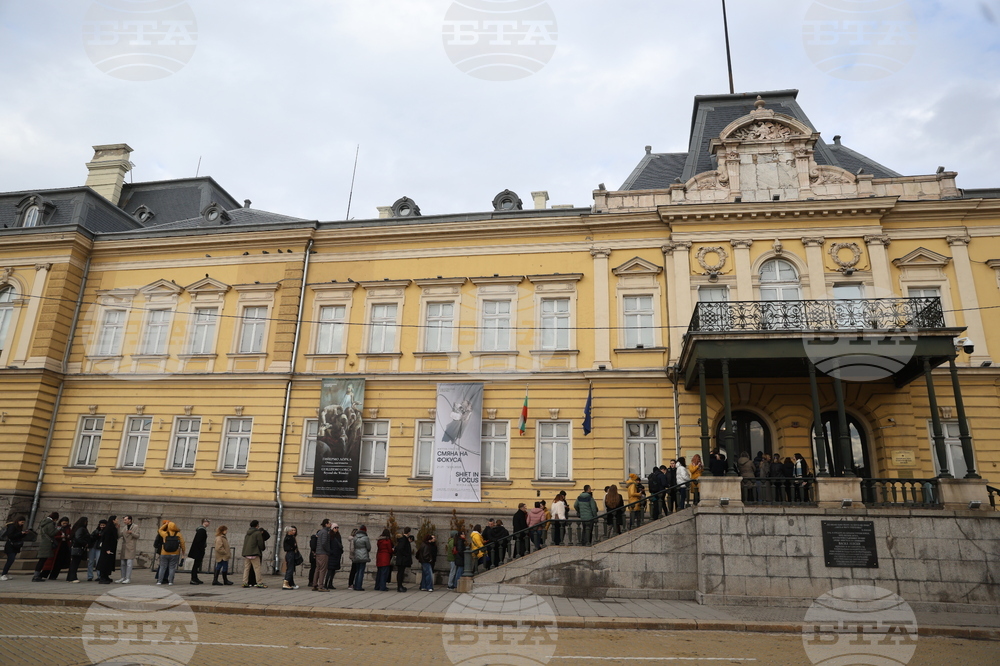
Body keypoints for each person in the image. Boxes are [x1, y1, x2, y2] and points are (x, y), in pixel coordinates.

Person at [32, 511, 59, 582]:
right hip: (47, 544)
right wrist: (58, 529)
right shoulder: (50, 524)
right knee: (42, 560)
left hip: (44, 542)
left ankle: (36, 575)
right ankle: (36, 576)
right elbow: (52, 533)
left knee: (41, 560)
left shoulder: (44, 522)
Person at [157, 520, 184, 586]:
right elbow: (182, 543)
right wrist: (183, 552)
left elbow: (159, 530)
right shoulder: (178, 534)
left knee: (162, 567)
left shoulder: (165, 533)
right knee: (172, 568)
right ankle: (170, 582)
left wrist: (165, 524)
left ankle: (159, 581)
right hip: (175, 553)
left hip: (164, 553)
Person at [241, 520, 267, 588]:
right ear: (257, 525)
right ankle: (259, 582)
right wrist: (262, 548)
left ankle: (245, 582)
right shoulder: (257, 533)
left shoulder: (247, 533)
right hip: (254, 553)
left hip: (247, 553)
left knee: (246, 568)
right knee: (257, 568)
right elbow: (260, 543)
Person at [2, 515, 27, 580]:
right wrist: (20, 533)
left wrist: (24, 534)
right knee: (10, 559)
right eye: (22, 522)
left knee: (11, 560)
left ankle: (5, 573)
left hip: (15, 546)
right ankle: (3, 574)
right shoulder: (12, 526)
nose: (22, 524)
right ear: (18, 521)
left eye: (23, 522)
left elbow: (19, 536)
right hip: (10, 545)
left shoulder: (19, 527)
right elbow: (10, 536)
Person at [117, 515, 139, 584]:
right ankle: (123, 577)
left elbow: (137, 536)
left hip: (131, 547)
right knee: (123, 563)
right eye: (124, 520)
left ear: (130, 520)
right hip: (124, 547)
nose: (124, 521)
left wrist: (131, 533)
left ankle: (128, 578)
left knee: (129, 563)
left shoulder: (135, 526)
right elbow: (119, 535)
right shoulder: (125, 527)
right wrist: (118, 528)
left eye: (125, 520)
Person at [97, 516, 118, 584]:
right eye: (116, 519)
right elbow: (106, 540)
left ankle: (106, 576)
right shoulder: (109, 529)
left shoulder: (112, 528)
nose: (117, 520)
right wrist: (107, 549)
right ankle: (103, 577)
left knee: (109, 563)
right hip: (107, 549)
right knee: (105, 563)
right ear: (113, 520)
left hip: (111, 548)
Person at [66, 517, 89, 582]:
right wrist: (85, 543)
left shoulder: (77, 528)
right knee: (75, 563)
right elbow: (78, 538)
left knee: (74, 563)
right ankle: (72, 577)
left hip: (75, 547)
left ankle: (70, 577)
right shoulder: (81, 529)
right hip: (78, 547)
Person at [187, 518, 209, 585]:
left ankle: (195, 578)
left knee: (197, 564)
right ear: (204, 522)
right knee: (196, 565)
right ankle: (193, 579)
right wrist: (202, 549)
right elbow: (199, 541)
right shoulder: (201, 530)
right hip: (198, 550)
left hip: (198, 550)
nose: (209, 523)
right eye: (207, 522)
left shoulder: (202, 530)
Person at [313, 519, 331, 592]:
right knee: (322, 570)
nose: (330, 524)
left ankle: (315, 584)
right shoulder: (325, 532)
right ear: (326, 524)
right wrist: (328, 550)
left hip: (318, 552)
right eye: (329, 523)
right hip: (323, 553)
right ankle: (321, 586)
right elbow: (324, 543)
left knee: (317, 569)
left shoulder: (320, 532)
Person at [352, 525, 371, 591]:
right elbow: (368, 547)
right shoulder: (365, 538)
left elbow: (354, 546)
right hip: (364, 555)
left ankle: (355, 584)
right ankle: (359, 586)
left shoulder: (355, 537)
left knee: (357, 571)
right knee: (361, 571)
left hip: (357, 554)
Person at [326, 523, 343, 590]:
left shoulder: (338, 536)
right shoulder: (330, 535)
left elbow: (340, 544)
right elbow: (328, 545)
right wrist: (331, 552)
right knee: (329, 570)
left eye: (337, 527)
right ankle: (326, 583)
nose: (336, 529)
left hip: (337, 555)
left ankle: (330, 583)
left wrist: (341, 551)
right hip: (332, 555)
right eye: (335, 527)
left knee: (333, 571)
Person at [282, 526, 300, 590]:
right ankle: (286, 582)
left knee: (290, 568)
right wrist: (293, 546)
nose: (293, 532)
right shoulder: (290, 538)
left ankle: (290, 583)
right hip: (290, 553)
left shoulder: (288, 537)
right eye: (292, 531)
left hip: (290, 553)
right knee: (290, 569)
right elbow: (293, 546)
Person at [395, 527, 412, 592]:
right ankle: (399, 587)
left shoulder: (403, 539)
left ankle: (400, 586)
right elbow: (401, 548)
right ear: (408, 532)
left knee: (400, 573)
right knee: (400, 573)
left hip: (401, 559)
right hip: (402, 559)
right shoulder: (404, 539)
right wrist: (406, 555)